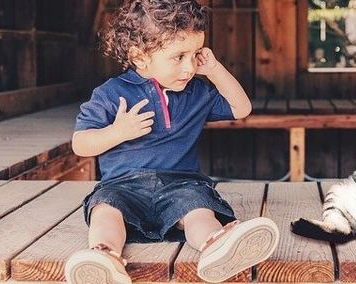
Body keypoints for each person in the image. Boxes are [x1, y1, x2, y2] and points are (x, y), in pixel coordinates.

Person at [64, 1, 279, 283]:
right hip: (122, 187)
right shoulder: (110, 93)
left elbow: (241, 109)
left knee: (197, 208)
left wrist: (214, 70)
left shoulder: (197, 92)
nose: (190, 67)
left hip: (181, 184)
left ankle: (216, 247)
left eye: (196, 54)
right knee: (105, 209)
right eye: (179, 57)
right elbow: (81, 144)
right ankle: (104, 257)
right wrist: (117, 132)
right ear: (140, 57)